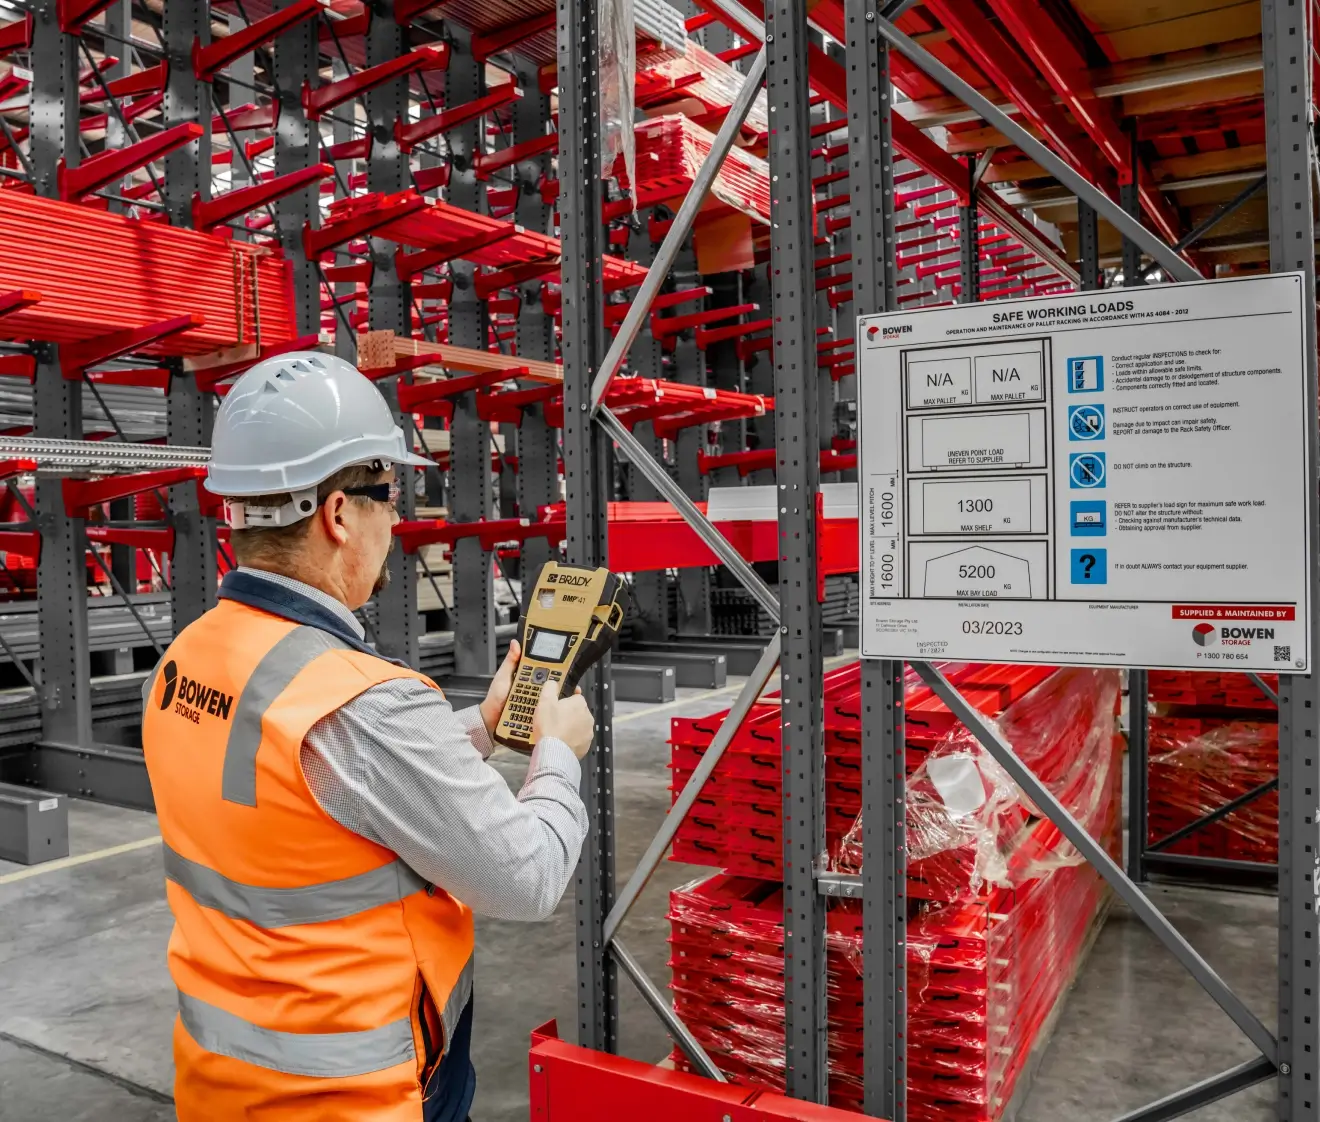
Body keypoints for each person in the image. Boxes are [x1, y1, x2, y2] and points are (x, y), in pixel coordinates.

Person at [140, 351, 593, 1122]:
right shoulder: (366, 704)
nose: (397, 520)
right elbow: (527, 876)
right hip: (354, 1098)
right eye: (389, 496)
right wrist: (556, 750)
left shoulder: (186, 660)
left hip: (222, 1084)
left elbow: (306, 795)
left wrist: (483, 728)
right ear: (339, 515)